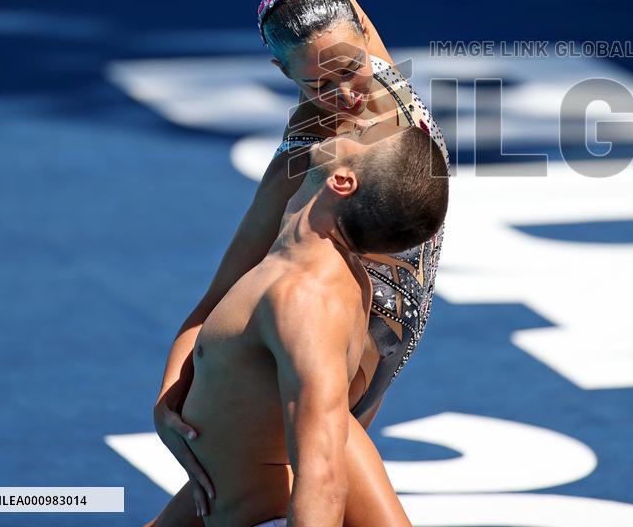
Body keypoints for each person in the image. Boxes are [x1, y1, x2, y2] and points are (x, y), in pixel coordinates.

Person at [142, 0, 451, 523]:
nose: (343, 91)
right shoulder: (307, 160)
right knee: (297, 472)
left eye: (347, 65)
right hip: (343, 324)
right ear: (284, 74)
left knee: (251, 488)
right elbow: (227, 282)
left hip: (388, 326)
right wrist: (174, 384)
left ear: (358, 28)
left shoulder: (355, 38)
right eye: (316, 83)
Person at [148, 121, 449, 527]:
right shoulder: (301, 252)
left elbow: (322, 477)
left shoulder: (305, 300)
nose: (357, 123)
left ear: (342, 182)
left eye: (362, 135)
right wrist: (168, 400)